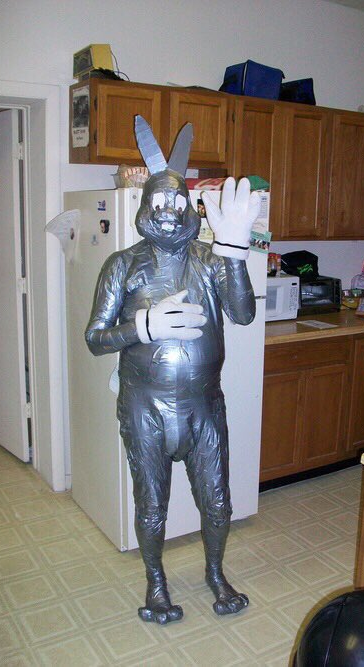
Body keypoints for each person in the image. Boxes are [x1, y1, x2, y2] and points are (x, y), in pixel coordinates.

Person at [85, 116, 259, 625]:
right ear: (145, 205)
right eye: (160, 201)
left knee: (218, 502)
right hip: (145, 405)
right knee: (151, 504)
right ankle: (156, 583)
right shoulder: (121, 264)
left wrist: (234, 249)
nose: (169, 211)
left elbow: (244, 313)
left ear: (190, 208)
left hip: (205, 404)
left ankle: (216, 574)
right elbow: (95, 339)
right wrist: (143, 326)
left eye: (179, 201)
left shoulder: (209, 258)